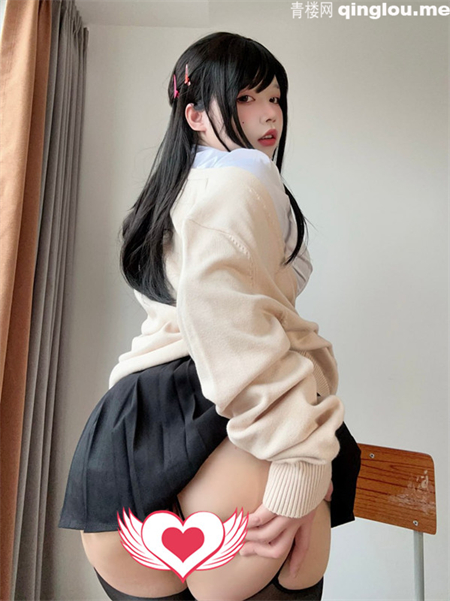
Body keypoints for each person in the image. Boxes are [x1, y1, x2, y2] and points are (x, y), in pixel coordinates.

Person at [58, 32, 361, 601]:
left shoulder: (175, 191)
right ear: (194, 115)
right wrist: (301, 456)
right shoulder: (240, 178)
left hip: (130, 430)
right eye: (245, 99)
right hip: (223, 415)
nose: (269, 114)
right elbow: (225, 317)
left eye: (274, 98)